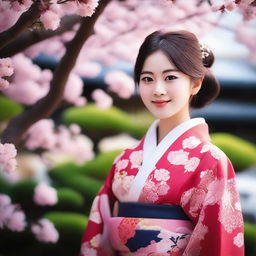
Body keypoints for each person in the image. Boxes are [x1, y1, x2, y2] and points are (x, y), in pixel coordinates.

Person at [80, 30, 244, 256]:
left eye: (170, 77)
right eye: (147, 79)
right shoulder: (124, 160)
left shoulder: (211, 161)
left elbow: (217, 243)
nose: (157, 90)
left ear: (195, 84)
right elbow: (98, 234)